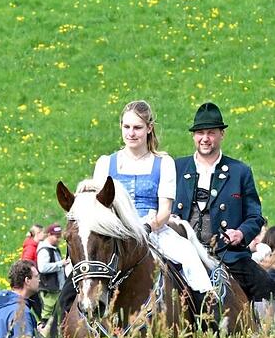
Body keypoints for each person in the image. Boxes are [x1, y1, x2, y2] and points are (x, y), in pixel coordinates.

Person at [92, 100, 215, 300]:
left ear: (149, 128)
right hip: (115, 233)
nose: (131, 133)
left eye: (137, 128)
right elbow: (98, 208)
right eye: (127, 127)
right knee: (79, 269)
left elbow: (165, 211)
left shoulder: (163, 162)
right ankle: (61, 314)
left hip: (152, 229)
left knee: (189, 256)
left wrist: (148, 228)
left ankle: (205, 308)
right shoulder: (106, 163)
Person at [174, 103, 275, 303]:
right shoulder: (176, 167)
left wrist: (240, 233)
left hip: (228, 255)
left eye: (211, 133)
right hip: (181, 252)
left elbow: (255, 217)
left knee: (267, 288)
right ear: (193, 136)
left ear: (222, 134)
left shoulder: (240, 171)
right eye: (200, 133)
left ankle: (260, 324)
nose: (205, 138)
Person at [36, 223, 67, 319]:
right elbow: (42, 268)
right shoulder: (45, 250)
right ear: (49, 235)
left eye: (59, 237)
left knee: (57, 314)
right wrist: (60, 264)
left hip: (56, 288)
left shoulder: (54, 249)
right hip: (48, 289)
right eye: (56, 237)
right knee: (47, 313)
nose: (59, 239)